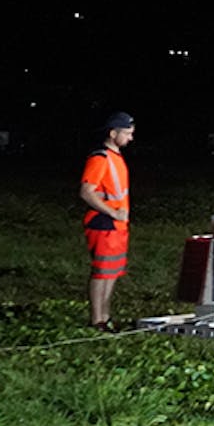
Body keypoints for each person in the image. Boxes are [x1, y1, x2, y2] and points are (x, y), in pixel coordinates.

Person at [79, 111, 136, 332]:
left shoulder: (116, 157)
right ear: (113, 133)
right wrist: (112, 213)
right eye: (128, 133)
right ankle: (97, 320)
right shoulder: (100, 158)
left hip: (117, 226)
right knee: (102, 271)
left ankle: (105, 316)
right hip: (104, 224)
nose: (130, 138)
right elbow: (86, 192)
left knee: (112, 271)